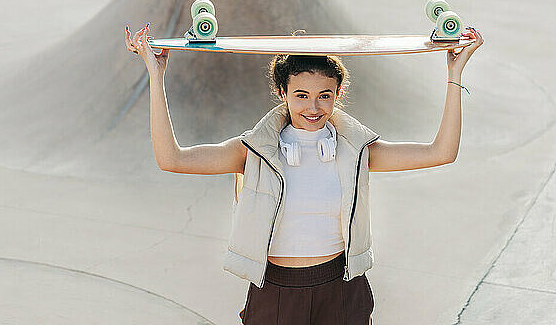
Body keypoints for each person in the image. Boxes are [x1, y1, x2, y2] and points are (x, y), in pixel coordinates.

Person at [124, 24, 484, 324]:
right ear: (283, 92)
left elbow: (442, 152)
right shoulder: (251, 152)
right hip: (277, 292)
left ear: (338, 94)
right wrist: (156, 76)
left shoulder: (358, 149)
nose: (313, 107)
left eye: (324, 96)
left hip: (341, 288)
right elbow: (172, 159)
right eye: (301, 95)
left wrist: (455, 75)